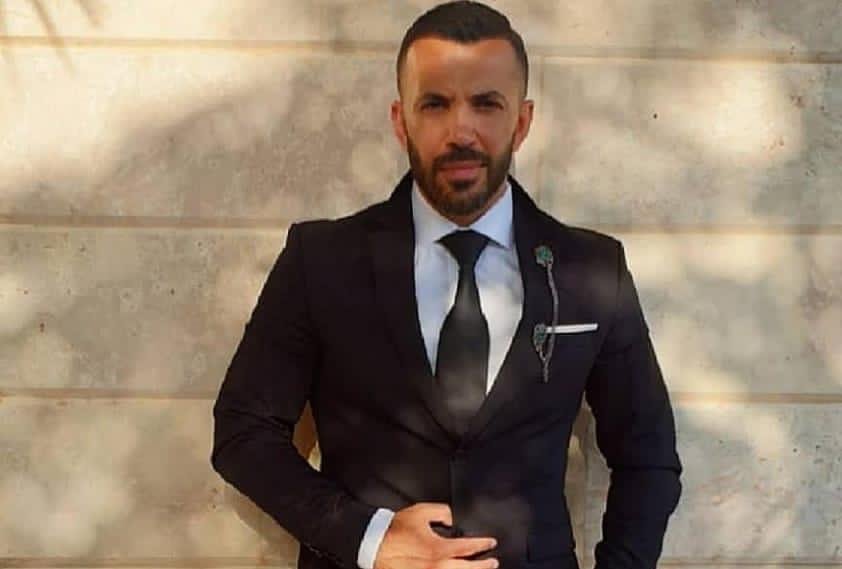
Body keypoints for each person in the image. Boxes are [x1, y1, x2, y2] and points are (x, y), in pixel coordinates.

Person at [211, 2, 682, 569]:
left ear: (522, 122)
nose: (461, 131)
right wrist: (369, 537)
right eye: (435, 104)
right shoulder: (320, 260)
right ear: (400, 121)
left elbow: (649, 459)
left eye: (486, 104)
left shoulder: (593, 269)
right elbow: (243, 433)